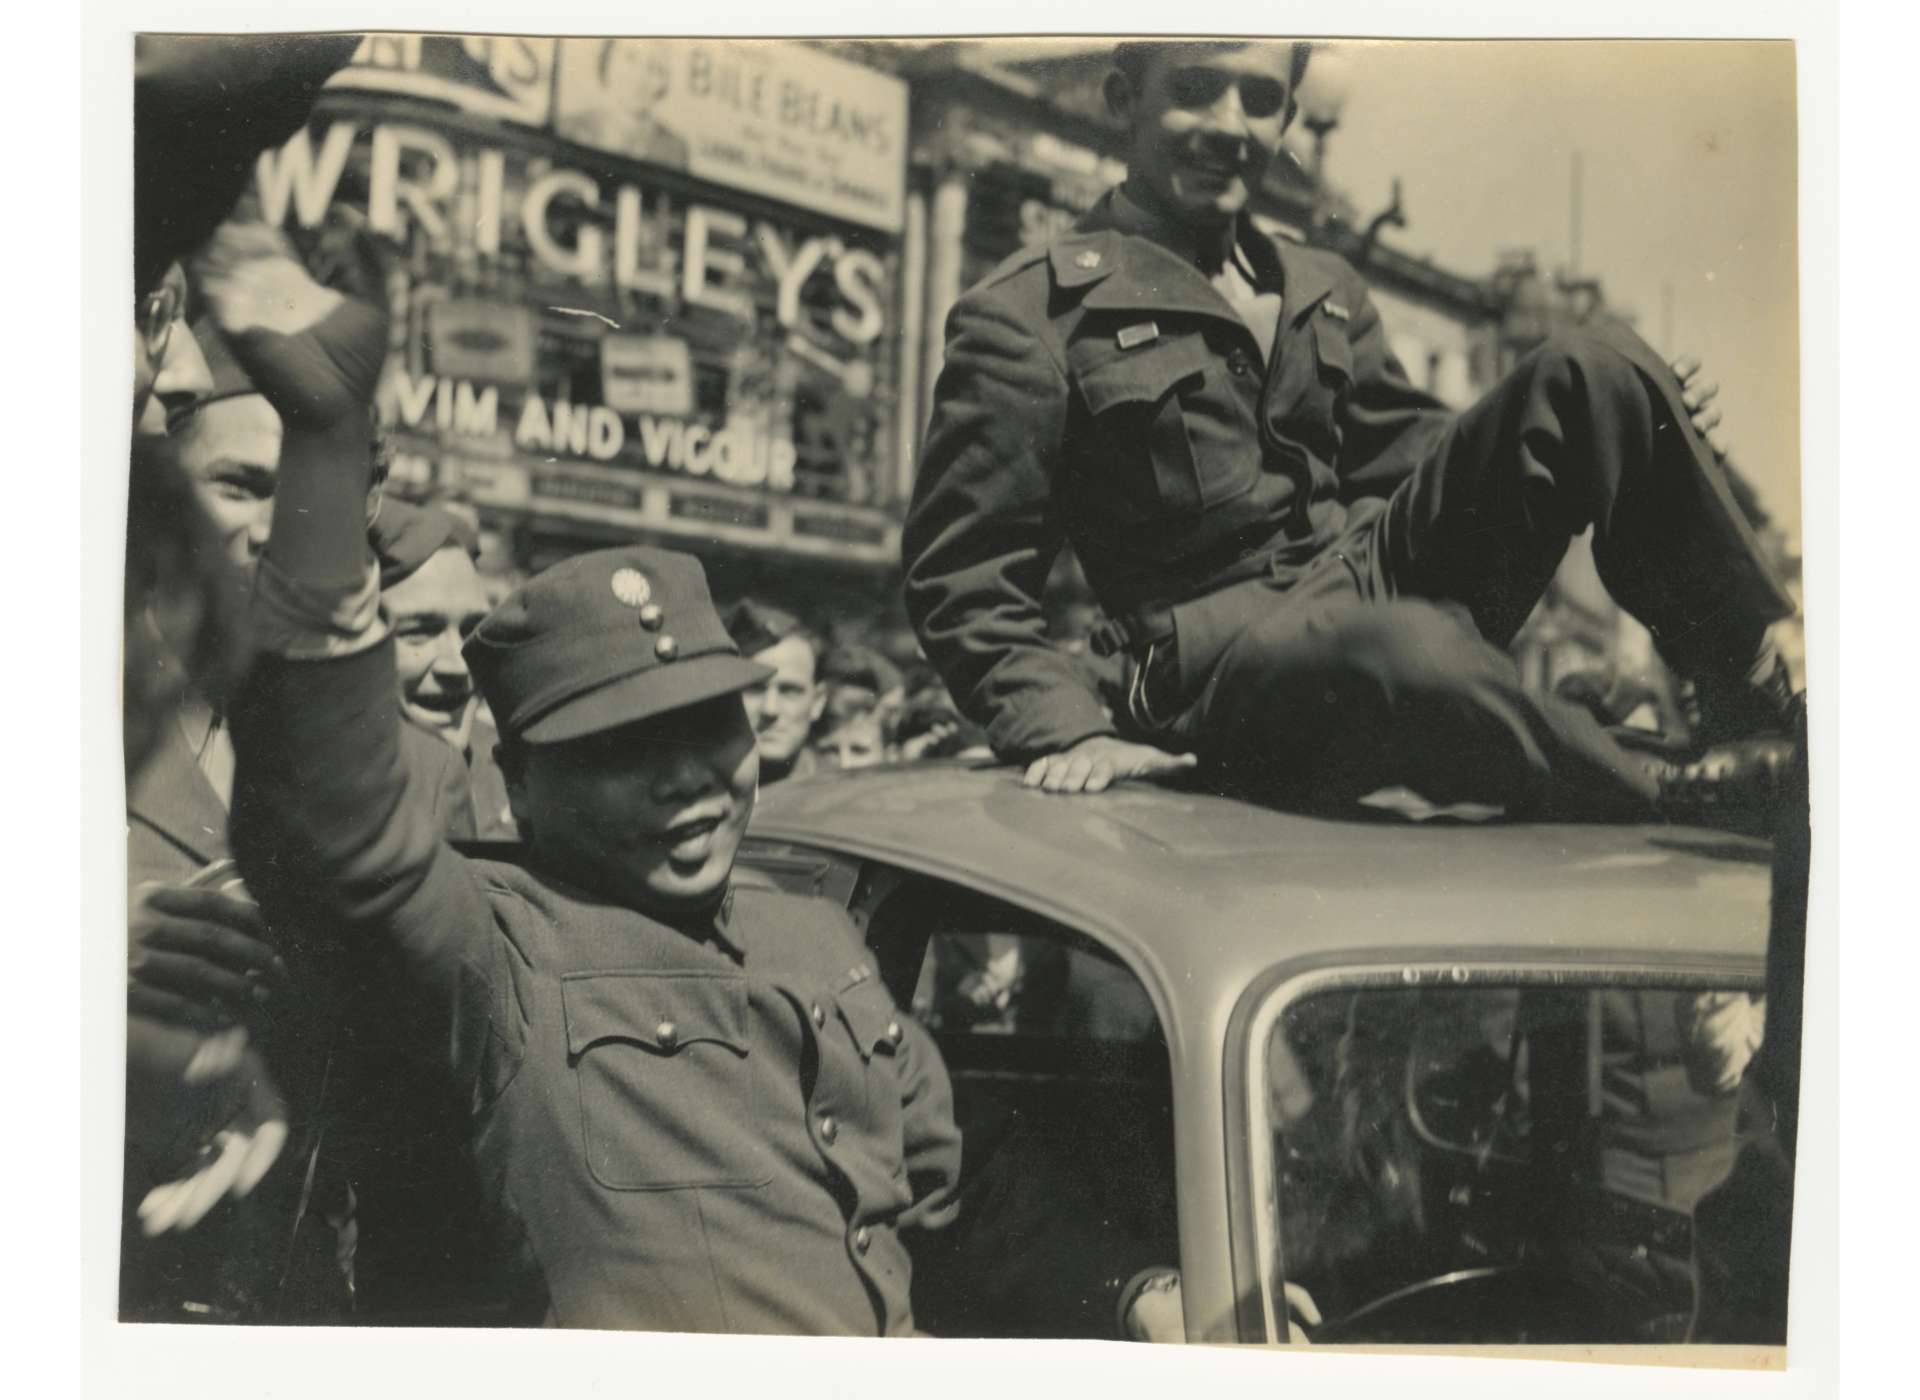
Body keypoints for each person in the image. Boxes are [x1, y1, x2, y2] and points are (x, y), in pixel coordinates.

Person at [201, 217, 961, 1333]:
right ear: (522, 779)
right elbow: (338, 813)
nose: (688, 778)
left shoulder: (819, 935)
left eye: (712, 725)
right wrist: (325, 440)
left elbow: (945, 1198)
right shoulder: (492, 945)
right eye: (620, 750)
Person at [903, 40, 1800, 824]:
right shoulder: (1029, 313)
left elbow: (1424, 458)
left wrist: (1633, 409)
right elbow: (964, 580)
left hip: (1366, 575)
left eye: (1260, 99)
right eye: (1197, 88)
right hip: (1223, 675)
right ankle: (1668, 784)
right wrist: (1073, 733)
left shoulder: (1321, 285)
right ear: (1123, 100)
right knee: (1404, 647)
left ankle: (1753, 691)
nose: (1230, 125)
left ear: (1289, 117)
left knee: (1596, 365)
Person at [723, 600, 829, 784]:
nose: (770, 709)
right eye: (754, 688)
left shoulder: (845, 792)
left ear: (818, 701)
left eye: (790, 691)